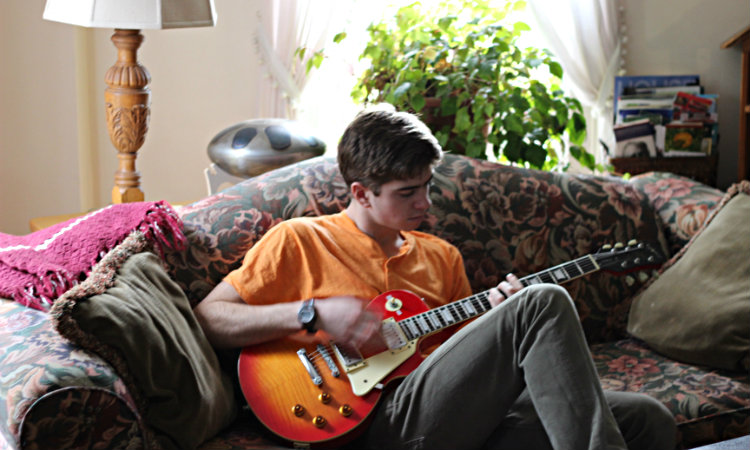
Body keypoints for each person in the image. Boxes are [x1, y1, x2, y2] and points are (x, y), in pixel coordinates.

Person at [194, 106, 677, 450]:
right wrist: (312, 312)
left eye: (427, 187)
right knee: (542, 300)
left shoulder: (440, 256)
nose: (425, 204)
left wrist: (503, 317)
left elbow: (467, 365)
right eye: (408, 193)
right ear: (361, 193)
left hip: (447, 418)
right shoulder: (299, 240)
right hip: (370, 422)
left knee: (646, 419)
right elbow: (210, 318)